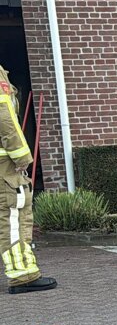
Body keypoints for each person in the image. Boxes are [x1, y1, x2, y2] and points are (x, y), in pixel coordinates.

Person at [0, 65, 55, 294]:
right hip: (4, 166)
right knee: (13, 217)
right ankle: (23, 276)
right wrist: (21, 155)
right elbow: (5, 118)